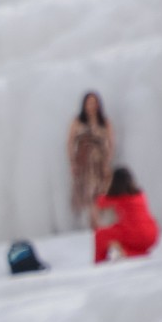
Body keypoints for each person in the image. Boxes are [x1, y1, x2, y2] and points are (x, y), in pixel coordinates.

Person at [66, 91, 115, 226]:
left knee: (101, 193)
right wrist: (72, 162)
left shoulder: (104, 122)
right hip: (83, 160)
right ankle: (95, 225)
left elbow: (111, 143)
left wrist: (107, 162)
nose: (92, 105)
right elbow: (70, 142)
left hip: (100, 160)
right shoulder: (77, 121)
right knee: (89, 194)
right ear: (84, 104)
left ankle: (97, 223)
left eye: (94, 102)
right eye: (89, 102)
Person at [93, 167, 160, 262]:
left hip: (135, 233)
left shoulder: (117, 197)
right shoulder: (140, 195)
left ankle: (99, 263)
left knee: (100, 234)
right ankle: (133, 253)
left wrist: (104, 186)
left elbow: (99, 202)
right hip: (152, 234)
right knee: (119, 232)